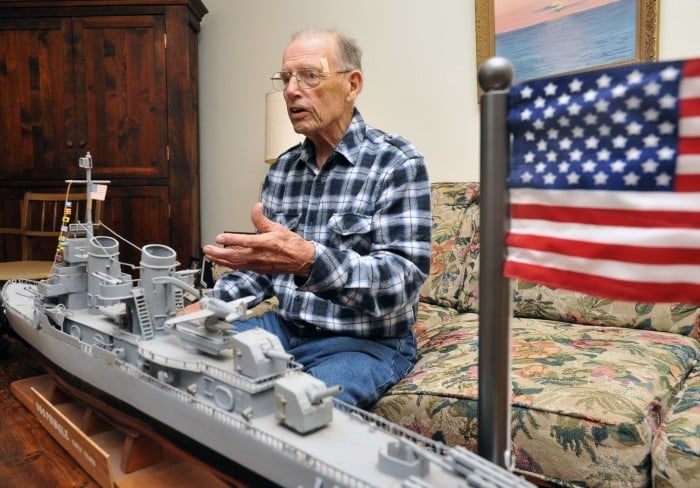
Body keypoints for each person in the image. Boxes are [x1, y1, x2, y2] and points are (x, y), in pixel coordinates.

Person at [201, 29, 431, 408]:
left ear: (352, 84)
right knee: (188, 358)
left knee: (303, 414)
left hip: (362, 344)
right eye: (286, 78)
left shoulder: (397, 163)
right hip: (283, 329)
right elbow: (267, 269)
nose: (291, 91)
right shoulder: (283, 170)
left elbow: (401, 280)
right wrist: (204, 307)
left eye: (310, 75)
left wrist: (310, 261)